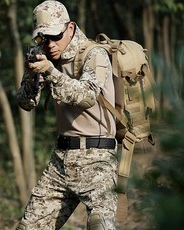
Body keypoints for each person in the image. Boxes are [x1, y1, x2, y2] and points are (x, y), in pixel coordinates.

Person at [16, 1, 118, 229]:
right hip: (61, 160)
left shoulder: (94, 54)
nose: (50, 44)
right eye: (43, 38)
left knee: (101, 226)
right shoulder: (46, 57)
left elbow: (86, 96)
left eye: (55, 36)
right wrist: (34, 78)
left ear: (70, 28)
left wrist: (51, 72)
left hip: (97, 158)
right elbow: (25, 103)